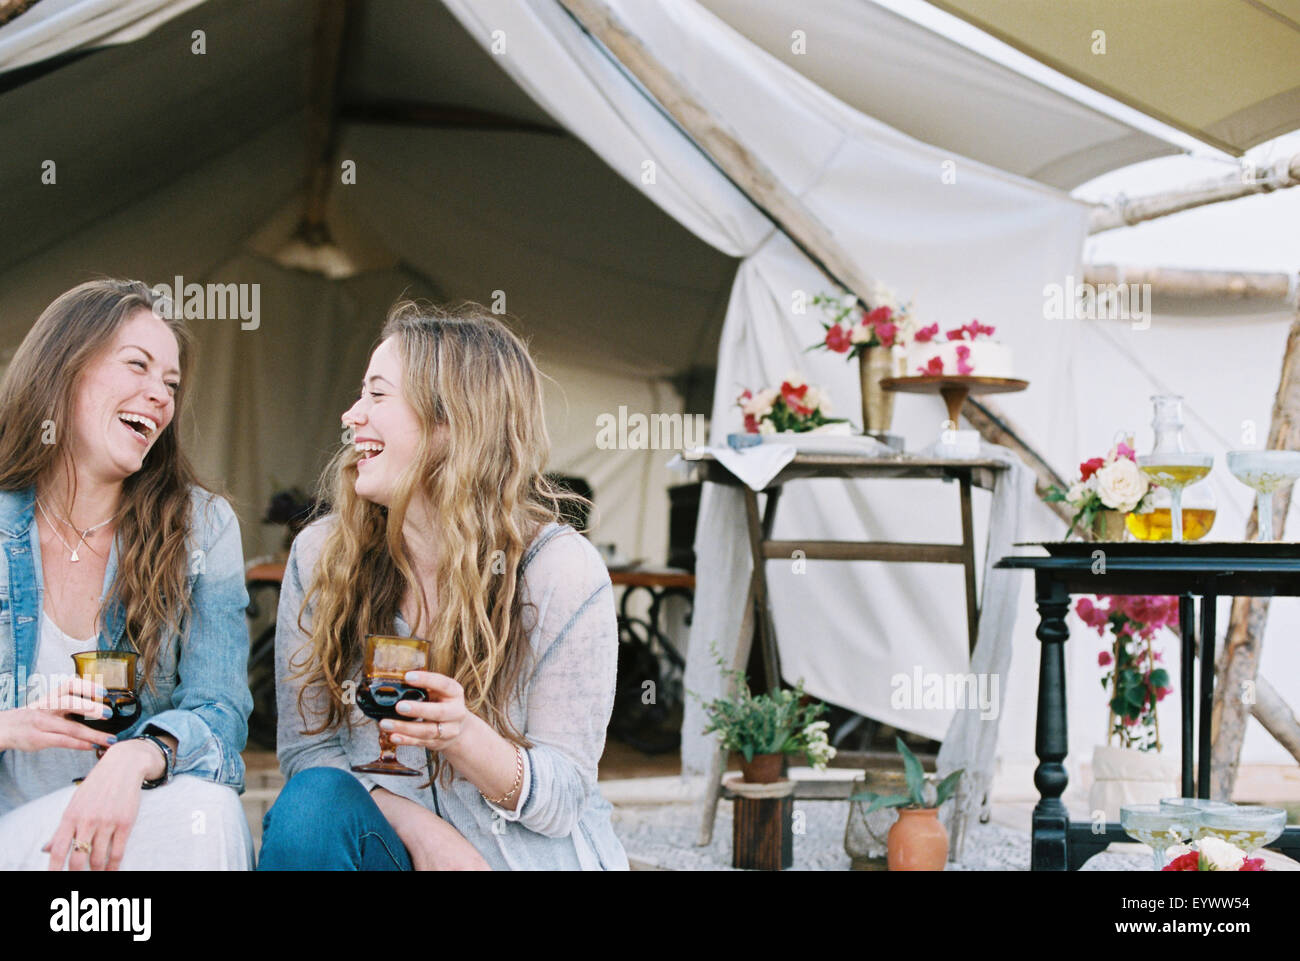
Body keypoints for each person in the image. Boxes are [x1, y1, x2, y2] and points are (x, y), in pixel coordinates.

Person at [260, 301, 629, 870]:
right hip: (396, 852)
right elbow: (309, 751)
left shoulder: (558, 570)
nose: (351, 414)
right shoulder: (322, 555)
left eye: (377, 396)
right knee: (310, 808)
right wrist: (425, 832)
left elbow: (562, 801)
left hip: (519, 860)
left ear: (450, 421)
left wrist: (464, 738)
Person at [0, 279, 254, 870]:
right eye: (136, 365)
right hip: (13, 842)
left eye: (170, 383)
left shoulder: (202, 527)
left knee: (208, 808)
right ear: (62, 369)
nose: (160, 396)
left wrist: (137, 755)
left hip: (129, 835)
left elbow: (220, 714)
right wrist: (9, 726)